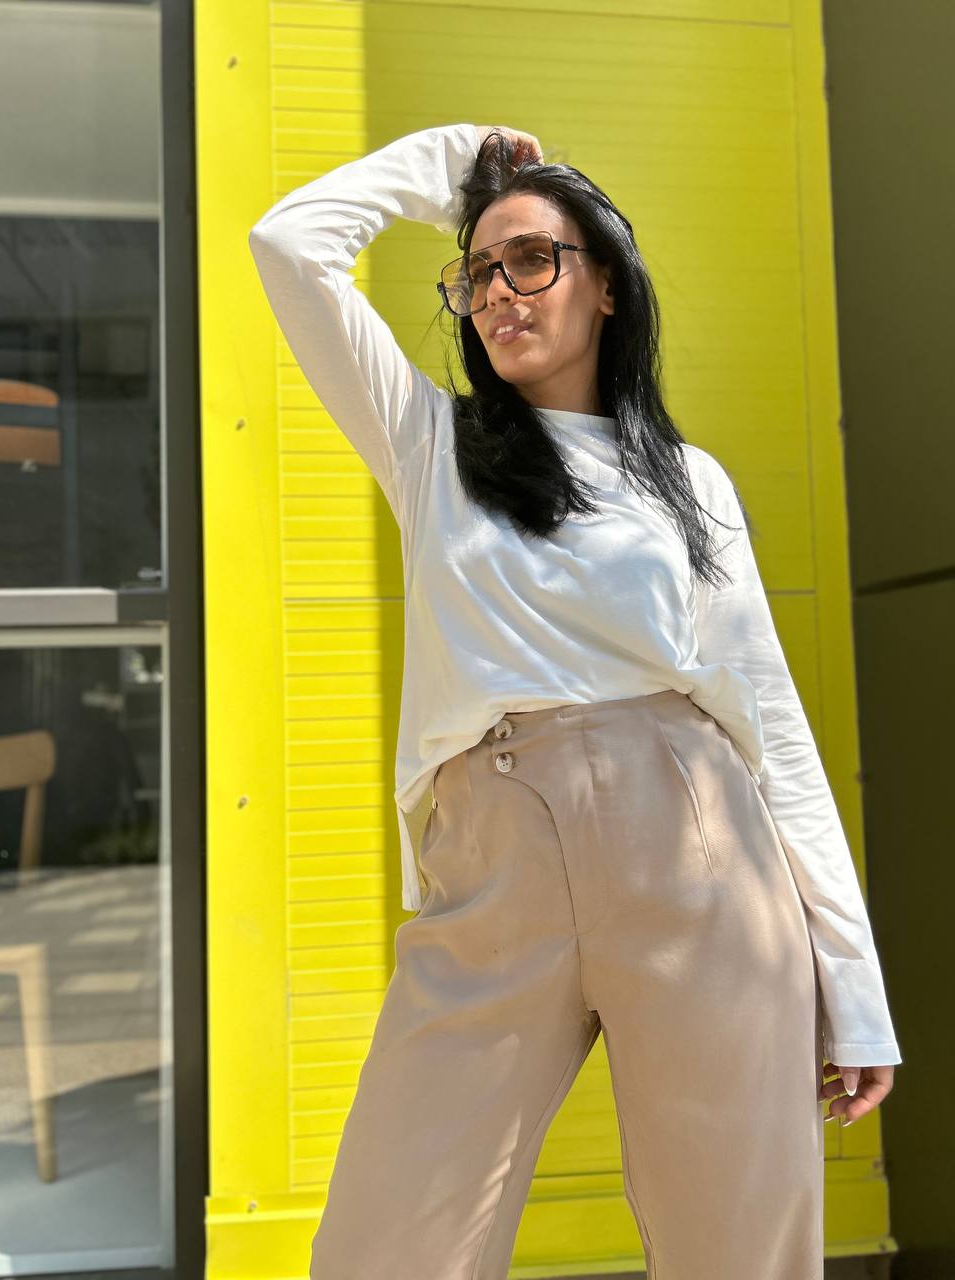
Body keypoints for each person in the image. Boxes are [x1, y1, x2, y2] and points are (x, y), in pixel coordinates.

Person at [248, 122, 902, 1280]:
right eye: (477, 274)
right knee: (385, 1245)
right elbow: (290, 243)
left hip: (700, 850)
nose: (499, 293)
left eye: (533, 259)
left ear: (606, 283)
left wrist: (855, 985)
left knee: (739, 1247)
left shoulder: (690, 482)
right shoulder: (432, 442)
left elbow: (772, 728)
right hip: (495, 862)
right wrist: (463, 168)